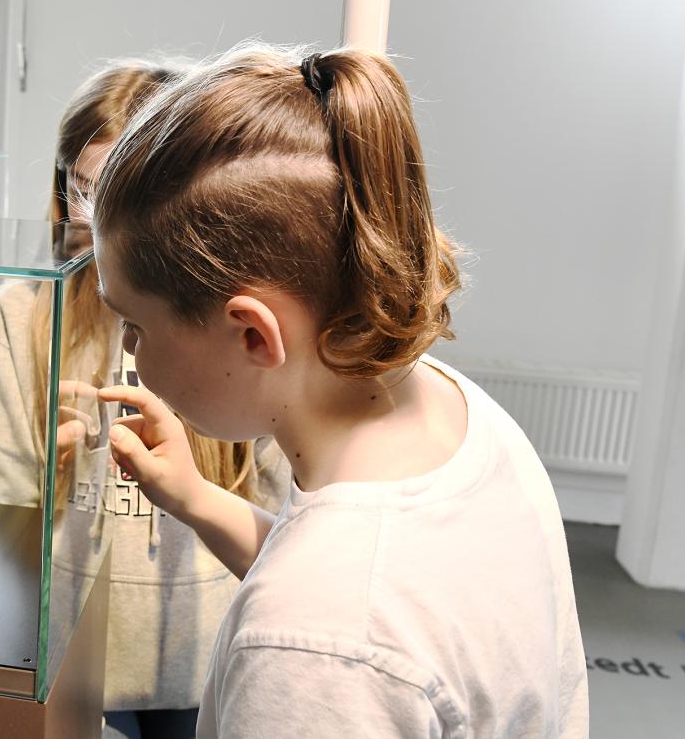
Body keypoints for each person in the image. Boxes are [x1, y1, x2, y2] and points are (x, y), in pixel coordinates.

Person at [94, 45, 589, 738]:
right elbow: (340, 564)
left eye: (135, 323)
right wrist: (195, 497)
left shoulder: (311, 648)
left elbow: (330, 614)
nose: (127, 349)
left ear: (253, 336)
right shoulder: (462, 415)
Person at [0, 61, 289, 739]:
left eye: (121, 196)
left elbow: (290, 514)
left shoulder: (244, 332)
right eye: (83, 192)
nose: (100, 224)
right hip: (65, 649)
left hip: (208, 648)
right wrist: (31, 481)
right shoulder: (17, 320)